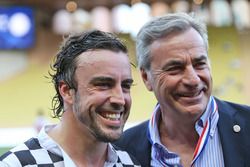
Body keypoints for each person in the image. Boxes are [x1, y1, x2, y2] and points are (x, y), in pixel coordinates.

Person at [114, 13, 250, 167]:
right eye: (175, 68)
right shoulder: (121, 150)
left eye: (200, 64)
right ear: (146, 78)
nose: (193, 80)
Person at [0, 30, 140, 167]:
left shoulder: (129, 164)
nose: (120, 99)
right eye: (103, 84)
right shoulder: (14, 164)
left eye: (125, 86)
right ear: (67, 91)